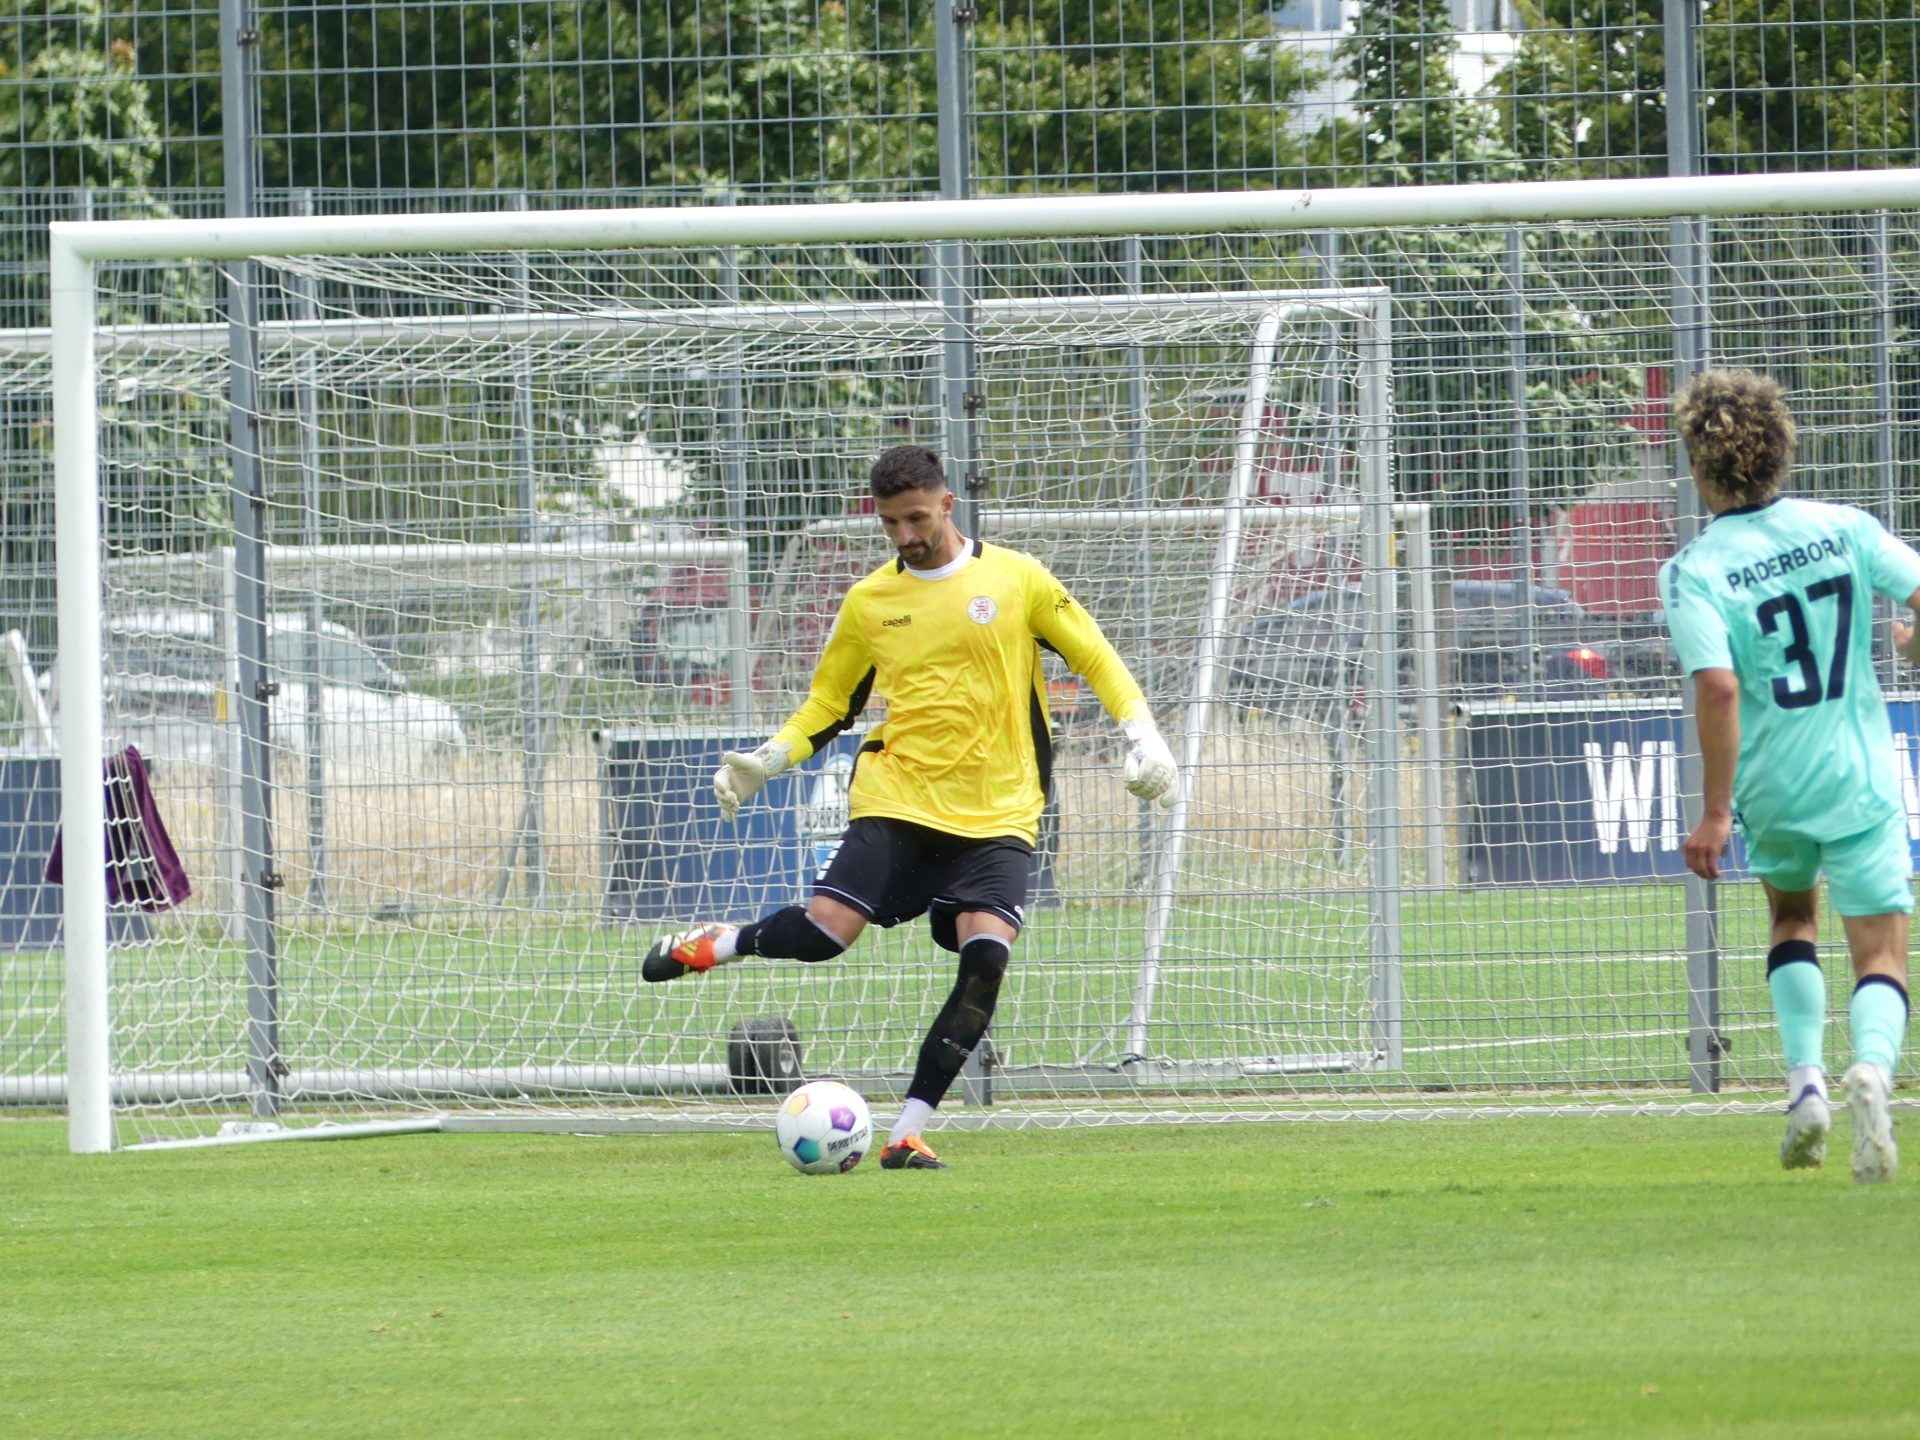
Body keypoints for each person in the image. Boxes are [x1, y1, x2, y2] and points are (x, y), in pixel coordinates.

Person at [642, 444, 1178, 1169]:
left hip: (1000, 810)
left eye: (917, 518)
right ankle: (723, 942)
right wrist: (767, 760)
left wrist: (1144, 735)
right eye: (890, 522)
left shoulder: (1016, 578)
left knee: (985, 961)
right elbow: (830, 703)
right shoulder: (870, 602)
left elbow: (1096, 656)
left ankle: (906, 1133)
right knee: (827, 935)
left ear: (947, 504)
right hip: (899, 796)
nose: (905, 535)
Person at [1663, 368, 1918, 1183]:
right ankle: (1870, 1070)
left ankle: (1805, 1084)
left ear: (1700, 468)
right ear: (1781, 450)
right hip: (1857, 776)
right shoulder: (1844, 526)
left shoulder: (1694, 569)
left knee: (1791, 919)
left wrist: (1715, 812)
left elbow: (1718, 688)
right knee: (1880, 952)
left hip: (1772, 785)